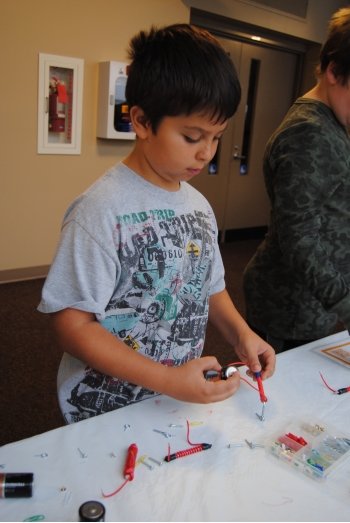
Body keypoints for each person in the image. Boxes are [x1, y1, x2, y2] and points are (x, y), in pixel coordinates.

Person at [38, 24, 275, 423]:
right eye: (192, 136)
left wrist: (241, 334)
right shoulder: (99, 211)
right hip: (105, 406)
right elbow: (71, 325)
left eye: (216, 137)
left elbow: (210, 285)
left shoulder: (198, 205)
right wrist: (167, 379)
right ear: (142, 121)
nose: (206, 153)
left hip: (172, 395)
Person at [243, 7, 350, 352]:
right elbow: (299, 236)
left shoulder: (335, 123)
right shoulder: (310, 131)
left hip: (314, 301)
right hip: (288, 308)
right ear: (333, 70)